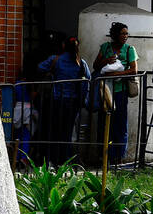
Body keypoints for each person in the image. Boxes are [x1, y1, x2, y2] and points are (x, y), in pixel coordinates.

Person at [38, 36, 90, 166]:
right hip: (73, 102)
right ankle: (65, 160)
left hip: (56, 101)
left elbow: (40, 67)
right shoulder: (81, 63)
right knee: (67, 132)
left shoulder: (55, 60)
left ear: (63, 46)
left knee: (54, 131)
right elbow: (87, 79)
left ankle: (53, 160)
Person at [93, 22, 138, 166]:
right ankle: (105, 156)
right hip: (105, 91)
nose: (125, 36)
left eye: (127, 33)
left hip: (120, 92)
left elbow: (134, 70)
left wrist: (117, 74)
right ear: (115, 35)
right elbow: (95, 65)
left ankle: (118, 157)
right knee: (105, 123)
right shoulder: (105, 47)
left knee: (120, 124)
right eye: (122, 33)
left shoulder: (130, 49)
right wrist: (105, 61)